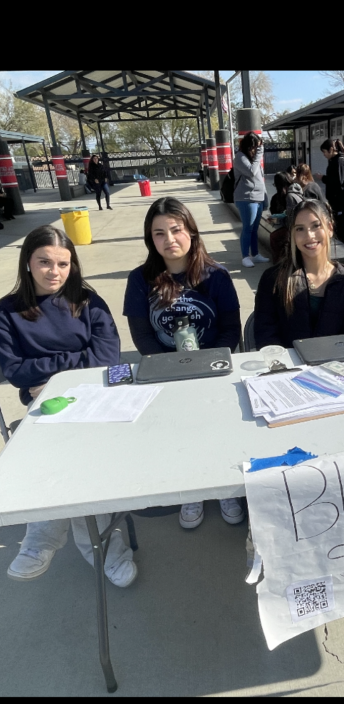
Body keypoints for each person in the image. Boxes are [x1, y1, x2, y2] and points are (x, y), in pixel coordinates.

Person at [0, 225, 136, 586]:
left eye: (63, 263)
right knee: (65, 454)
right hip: (44, 404)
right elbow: (13, 371)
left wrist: (51, 375)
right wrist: (73, 362)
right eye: (44, 262)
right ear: (27, 263)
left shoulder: (87, 301)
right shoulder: (7, 311)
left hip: (94, 396)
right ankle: (91, 545)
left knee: (81, 456)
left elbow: (106, 358)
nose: (54, 271)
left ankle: (50, 538)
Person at [123, 197, 245, 530]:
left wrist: (207, 365)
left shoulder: (216, 276)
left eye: (176, 230)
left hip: (212, 370)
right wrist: (172, 370)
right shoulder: (139, 280)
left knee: (218, 425)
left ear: (191, 231)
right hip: (168, 373)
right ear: (150, 239)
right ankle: (192, 487)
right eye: (159, 233)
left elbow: (230, 329)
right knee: (180, 430)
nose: (169, 239)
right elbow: (142, 336)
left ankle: (225, 485)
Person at [254, 198, 344, 349]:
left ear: (330, 228)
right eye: (300, 229)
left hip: (334, 362)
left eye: (316, 226)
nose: (309, 236)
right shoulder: (273, 279)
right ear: (292, 234)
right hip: (287, 362)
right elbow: (265, 336)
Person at [233, 132, 269, 269]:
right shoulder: (240, 157)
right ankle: (245, 256)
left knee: (254, 229)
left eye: (259, 147)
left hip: (258, 198)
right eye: (256, 147)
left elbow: (260, 180)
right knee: (247, 228)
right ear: (250, 146)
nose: (257, 150)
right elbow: (251, 172)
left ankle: (255, 254)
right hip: (246, 198)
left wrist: (265, 198)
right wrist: (259, 154)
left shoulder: (254, 160)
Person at [321, 139, 344, 244]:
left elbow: (338, 181)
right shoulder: (334, 161)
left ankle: (341, 243)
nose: (324, 155)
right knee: (335, 223)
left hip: (338, 199)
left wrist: (323, 178)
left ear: (331, 149)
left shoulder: (339, 161)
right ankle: (337, 241)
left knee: (339, 224)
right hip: (334, 199)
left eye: (325, 152)